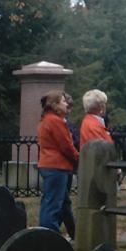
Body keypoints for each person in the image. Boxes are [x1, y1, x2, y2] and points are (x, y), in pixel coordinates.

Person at [37, 90, 79, 238]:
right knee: (53, 204)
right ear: (54, 105)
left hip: (50, 165)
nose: (66, 104)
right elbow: (66, 146)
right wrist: (78, 159)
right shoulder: (55, 121)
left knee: (60, 203)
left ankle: (74, 233)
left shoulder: (46, 119)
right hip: (57, 166)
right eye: (62, 101)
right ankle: (49, 237)